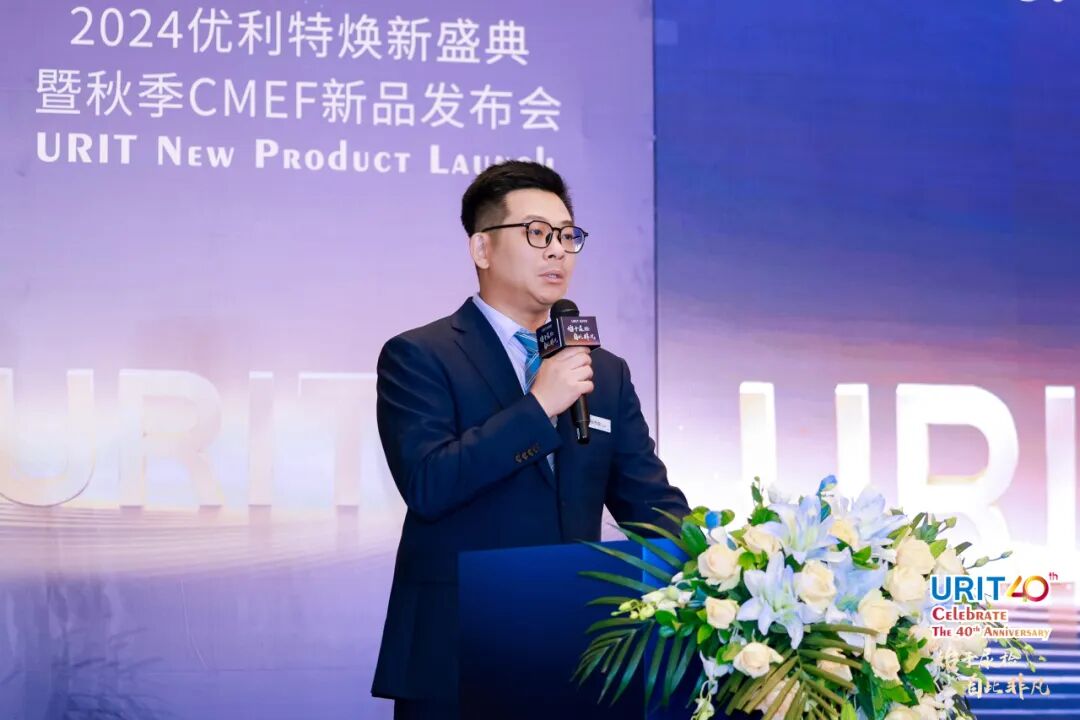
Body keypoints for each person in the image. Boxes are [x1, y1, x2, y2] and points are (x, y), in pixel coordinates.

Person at [371, 160, 690, 719]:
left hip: (576, 650)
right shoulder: (419, 355)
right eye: (537, 233)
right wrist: (540, 406)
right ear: (482, 248)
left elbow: (651, 505)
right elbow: (429, 483)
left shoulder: (603, 371)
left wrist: (724, 571)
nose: (558, 251)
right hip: (455, 654)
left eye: (568, 236)